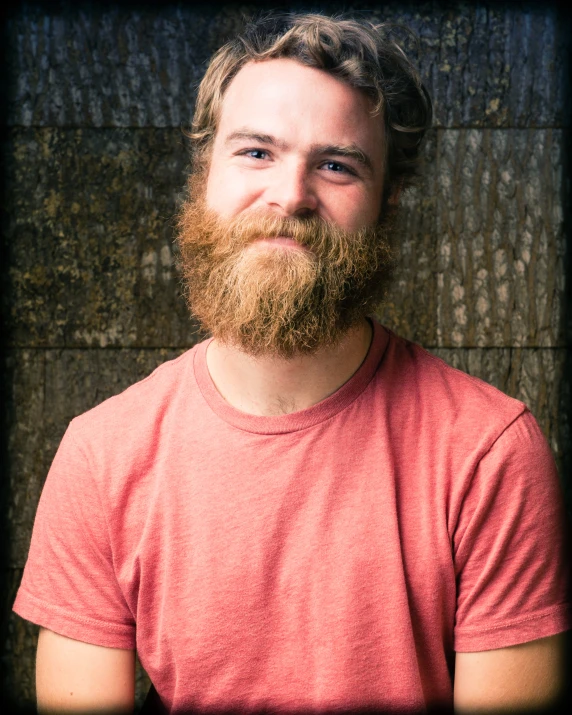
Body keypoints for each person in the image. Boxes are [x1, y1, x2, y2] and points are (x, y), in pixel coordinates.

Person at [12, 11, 571, 715]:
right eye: (255, 153)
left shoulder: (489, 453)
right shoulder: (100, 456)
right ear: (204, 175)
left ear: (388, 201)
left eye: (336, 165)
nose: (290, 195)